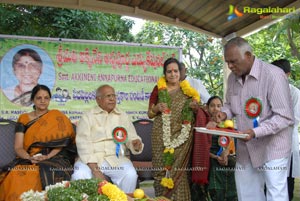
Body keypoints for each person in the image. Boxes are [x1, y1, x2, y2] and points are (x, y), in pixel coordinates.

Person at [210, 37, 294, 201]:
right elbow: (229, 105)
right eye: (227, 62)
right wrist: (224, 114)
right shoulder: (232, 78)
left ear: (248, 55)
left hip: (273, 146)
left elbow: (284, 117)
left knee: (275, 193)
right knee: (246, 191)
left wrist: (256, 132)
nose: (230, 66)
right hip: (246, 146)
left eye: (233, 61)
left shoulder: (273, 75)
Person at [0, 84, 76, 201]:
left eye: (46, 98)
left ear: (50, 99)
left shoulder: (57, 116)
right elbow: (18, 147)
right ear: (32, 100)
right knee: (16, 174)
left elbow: (62, 143)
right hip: (28, 158)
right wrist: (30, 158)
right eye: (39, 98)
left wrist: (47, 156)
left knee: (46, 172)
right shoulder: (24, 118)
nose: (43, 101)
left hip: (54, 157)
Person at [71, 84, 144, 193]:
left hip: (115, 159)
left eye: (114, 96)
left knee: (130, 174)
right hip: (90, 159)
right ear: (98, 100)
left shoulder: (122, 116)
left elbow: (131, 137)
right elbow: (84, 145)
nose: (112, 99)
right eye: (108, 96)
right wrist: (95, 170)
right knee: (79, 175)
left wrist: (135, 144)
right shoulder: (88, 116)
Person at [148, 57, 200, 200]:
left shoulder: (189, 92)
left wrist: (195, 109)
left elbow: (198, 112)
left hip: (181, 137)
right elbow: (150, 114)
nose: (173, 74)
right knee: (160, 170)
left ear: (180, 72)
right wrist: (157, 108)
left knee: (179, 172)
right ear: (164, 73)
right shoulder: (158, 89)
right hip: (160, 134)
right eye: (169, 71)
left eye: (175, 71)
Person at [271, 59, 300, 201]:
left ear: (287, 74)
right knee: (270, 181)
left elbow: (294, 119)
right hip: (269, 144)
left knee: (287, 182)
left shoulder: (295, 93)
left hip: (287, 143)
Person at [206, 95, 237, 201]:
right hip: (212, 161)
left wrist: (226, 152)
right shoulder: (205, 125)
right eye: (212, 106)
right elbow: (202, 148)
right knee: (217, 192)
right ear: (207, 108)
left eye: (219, 106)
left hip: (227, 160)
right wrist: (215, 157)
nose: (216, 109)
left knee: (232, 192)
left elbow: (230, 141)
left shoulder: (228, 124)